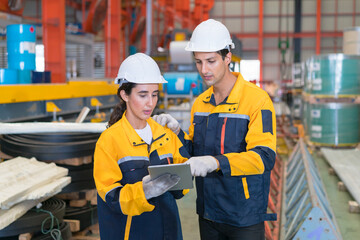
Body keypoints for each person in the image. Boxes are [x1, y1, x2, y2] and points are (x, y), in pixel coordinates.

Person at [154, 19, 277, 240]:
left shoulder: (257, 100)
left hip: (244, 217)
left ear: (227, 57)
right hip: (209, 213)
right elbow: (194, 152)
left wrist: (216, 162)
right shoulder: (201, 103)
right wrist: (177, 134)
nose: (204, 70)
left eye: (211, 61)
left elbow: (264, 157)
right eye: (199, 62)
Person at [94, 53, 190, 240]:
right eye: (143, 95)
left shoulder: (165, 133)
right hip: (131, 233)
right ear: (125, 94)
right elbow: (111, 197)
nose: (150, 103)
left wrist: (183, 177)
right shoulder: (110, 141)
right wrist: (144, 192)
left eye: (154, 94)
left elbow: (183, 184)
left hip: (169, 232)